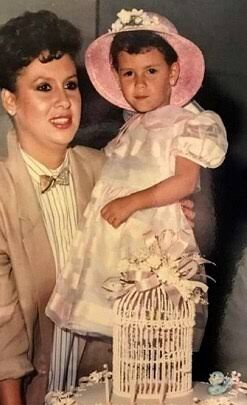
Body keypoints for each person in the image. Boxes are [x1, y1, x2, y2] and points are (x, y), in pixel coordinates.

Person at [0, 9, 195, 405]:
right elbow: (0, 323)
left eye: (70, 85)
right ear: (9, 100)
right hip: (15, 402)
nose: (64, 102)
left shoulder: (113, 169)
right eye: (43, 88)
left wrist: (168, 215)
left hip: (102, 397)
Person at [46, 9, 228, 345]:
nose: (140, 84)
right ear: (116, 76)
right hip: (113, 244)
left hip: (152, 242)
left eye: (151, 71)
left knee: (155, 329)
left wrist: (133, 201)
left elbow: (185, 181)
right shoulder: (131, 127)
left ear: (173, 72)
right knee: (119, 336)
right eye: (128, 73)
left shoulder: (188, 123)